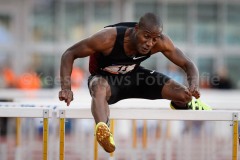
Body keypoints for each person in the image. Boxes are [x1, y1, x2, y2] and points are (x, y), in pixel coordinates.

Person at [59, 12, 212, 153]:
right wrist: (66, 87)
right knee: (99, 88)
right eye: (146, 37)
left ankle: (186, 104)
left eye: (154, 39)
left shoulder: (160, 41)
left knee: (183, 94)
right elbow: (69, 53)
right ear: (136, 29)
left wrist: (194, 85)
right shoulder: (108, 38)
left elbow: (188, 64)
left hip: (135, 77)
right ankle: (104, 131)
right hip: (106, 80)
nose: (149, 43)